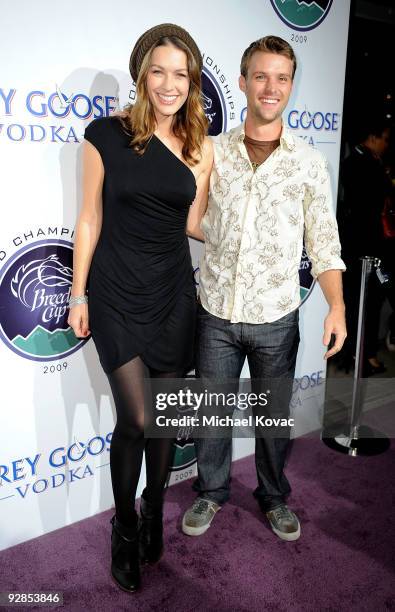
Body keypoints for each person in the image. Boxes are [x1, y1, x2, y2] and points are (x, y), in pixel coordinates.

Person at [182, 35, 347, 542]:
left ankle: (273, 497)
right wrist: (240, 241)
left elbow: (325, 242)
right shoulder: (212, 151)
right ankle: (210, 492)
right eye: (260, 76)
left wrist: (337, 306)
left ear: (291, 86)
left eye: (281, 78)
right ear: (242, 82)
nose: (270, 87)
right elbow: (192, 220)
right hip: (215, 311)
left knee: (272, 418)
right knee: (212, 412)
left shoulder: (308, 163)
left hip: (278, 316)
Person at [68, 23, 212, 592]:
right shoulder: (104, 134)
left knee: (166, 421)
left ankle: (155, 509)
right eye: (159, 70)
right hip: (115, 294)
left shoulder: (200, 150)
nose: (169, 83)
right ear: (141, 75)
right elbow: (89, 219)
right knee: (137, 419)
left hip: (175, 294)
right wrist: (78, 293)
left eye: (181, 73)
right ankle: (124, 525)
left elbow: (194, 225)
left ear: (192, 81)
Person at [339, 120, 394, 374]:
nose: (386, 144)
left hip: (352, 243)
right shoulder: (368, 164)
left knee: (353, 301)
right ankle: (365, 355)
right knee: (367, 302)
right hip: (366, 246)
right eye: (384, 138)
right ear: (373, 137)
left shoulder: (353, 161)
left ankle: (352, 354)